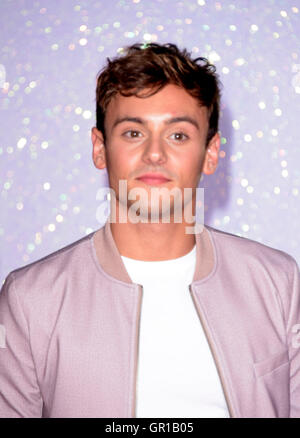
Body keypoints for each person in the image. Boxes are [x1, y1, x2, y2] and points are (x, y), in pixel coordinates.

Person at [0, 42, 299, 418]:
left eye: (178, 135)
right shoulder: (31, 299)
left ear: (210, 153)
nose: (154, 154)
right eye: (133, 133)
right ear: (99, 148)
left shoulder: (278, 283)